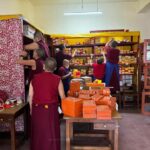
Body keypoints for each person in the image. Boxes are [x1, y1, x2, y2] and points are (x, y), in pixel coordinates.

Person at [28, 57, 66, 150]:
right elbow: (63, 97)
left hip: (37, 109)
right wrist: (64, 111)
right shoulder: (57, 79)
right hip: (51, 110)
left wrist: (31, 110)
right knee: (51, 132)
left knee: (38, 133)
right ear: (55, 68)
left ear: (44, 66)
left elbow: (30, 96)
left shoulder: (34, 78)